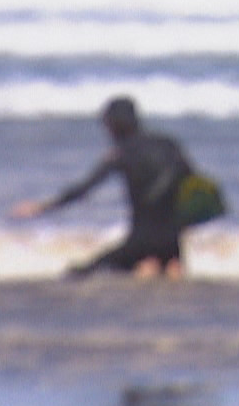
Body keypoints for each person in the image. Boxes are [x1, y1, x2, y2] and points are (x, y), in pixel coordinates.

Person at [10, 96, 193, 279]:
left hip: (140, 242)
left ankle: (147, 266)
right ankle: (164, 268)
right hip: (173, 240)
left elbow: (84, 189)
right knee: (167, 271)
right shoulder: (169, 145)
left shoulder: (121, 153)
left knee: (78, 273)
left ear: (114, 126)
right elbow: (194, 182)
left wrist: (42, 207)